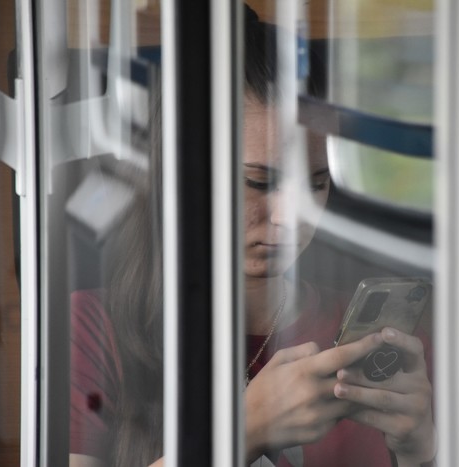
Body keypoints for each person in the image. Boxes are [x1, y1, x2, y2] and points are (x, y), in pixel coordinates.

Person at [69, 5, 436, 467]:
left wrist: (421, 452)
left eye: (316, 184)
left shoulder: (380, 346)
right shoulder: (93, 331)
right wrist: (242, 433)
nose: (289, 217)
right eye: (258, 182)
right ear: (184, 174)